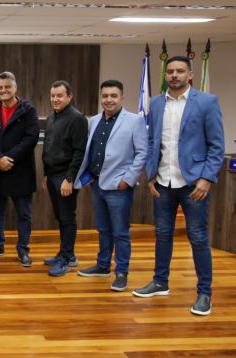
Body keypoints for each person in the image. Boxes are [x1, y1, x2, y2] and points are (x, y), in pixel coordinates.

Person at [132, 56, 224, 316]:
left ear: (190, 74)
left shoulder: (207, 102)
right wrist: (151, 176)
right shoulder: (157, 102)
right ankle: (160, 282)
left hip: (193, 183)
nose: (174, 75)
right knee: (162, 234)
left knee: (197, 237)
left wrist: (207, 179)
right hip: (162, 182)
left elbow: (216, 146)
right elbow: (152, 142)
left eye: (179, 71)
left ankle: (204, 293)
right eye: (170, 71)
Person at [74, 80, 147, 292]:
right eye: (105, 96)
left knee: (120, 232)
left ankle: (122, 272)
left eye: (113, 96)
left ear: (122, 98)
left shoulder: (134, 121)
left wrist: (129, 179)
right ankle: (103, 265)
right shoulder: (94, 120)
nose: (108, 100)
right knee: (103, 229)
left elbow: (142, 153)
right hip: (97, 184)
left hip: (119, 187)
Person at [0, 71, 40, 265]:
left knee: (24, 214)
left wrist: (9, 158)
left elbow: (31, 138)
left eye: (7, 87)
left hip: (20, 170)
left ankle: (23, 250)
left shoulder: (27, 110)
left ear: (15, 87)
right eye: (0, 87)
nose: (3, 90)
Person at [42, 80, 88, 277]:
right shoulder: (52, 117)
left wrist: (70, 179)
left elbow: (79, 152)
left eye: (59, 96)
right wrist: (45, 174)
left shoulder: (77, 119)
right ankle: (65, 253)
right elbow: (48, 147)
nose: (55, 99)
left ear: (70, 96)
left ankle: (67, 259)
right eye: (53, 96)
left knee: (68, 217)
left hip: (65, 176)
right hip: (52, 175)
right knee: (61, 216)